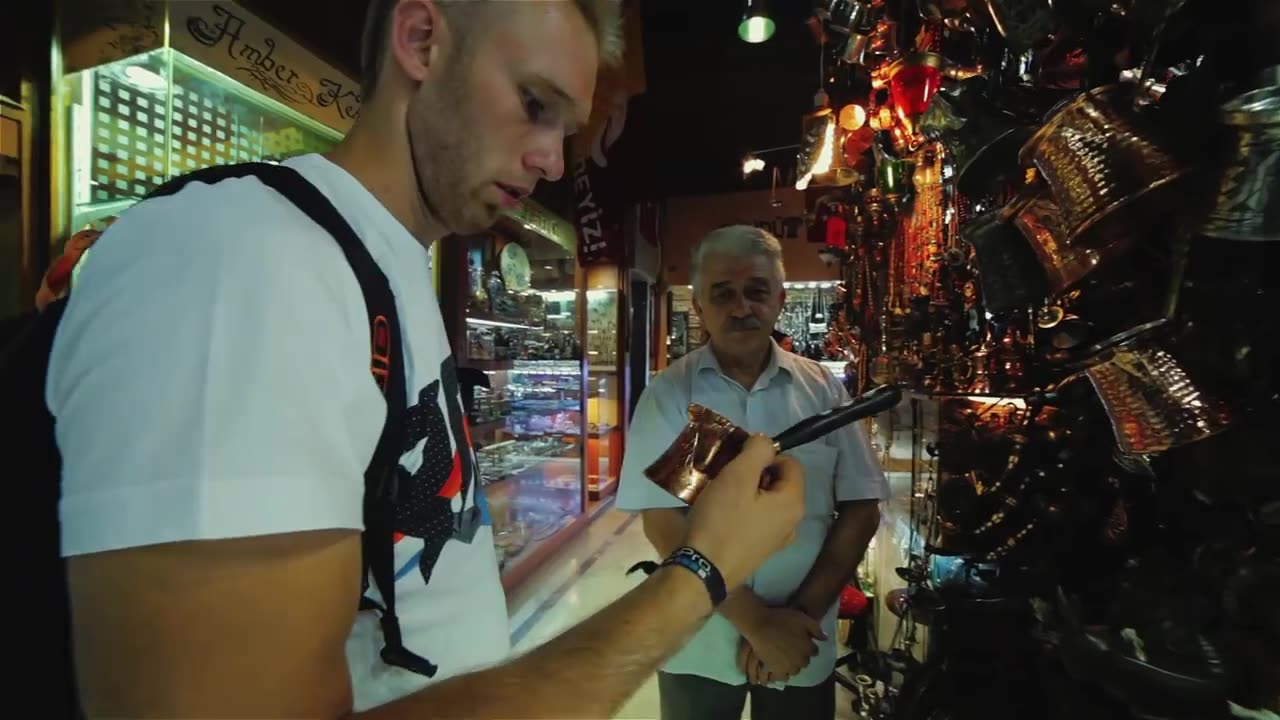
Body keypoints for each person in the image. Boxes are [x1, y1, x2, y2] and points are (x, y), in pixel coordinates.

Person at [50, 2, 807, 718]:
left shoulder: (385, 269)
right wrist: (701, 571)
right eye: (535, 104)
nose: (550, 160)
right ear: (420, 40)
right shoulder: (241, 262)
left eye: (567, 128)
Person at [618, 225, 887, 720]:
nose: (741, 307)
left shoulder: (822, 391)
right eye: (723, 294)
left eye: (756, 292)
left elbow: (861, 507)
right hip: (696, 638)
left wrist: (797, 619)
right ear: (698, 306)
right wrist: (757, 623)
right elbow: (664, 524)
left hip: (801, 637)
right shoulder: (672, 396)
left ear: (780, 299)